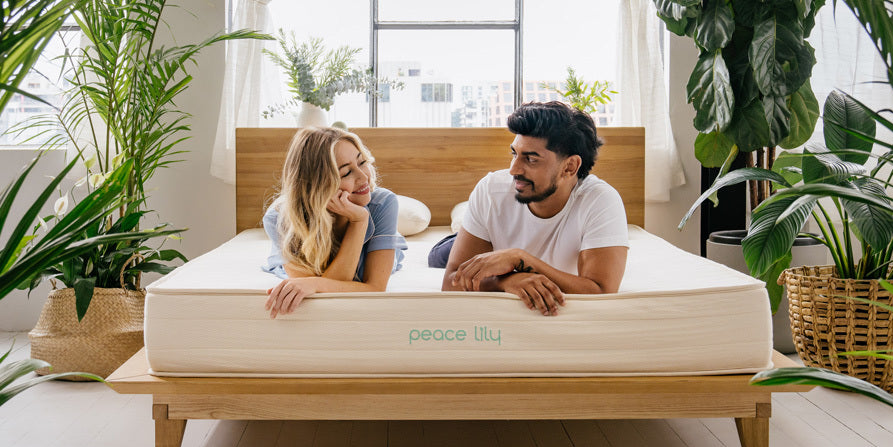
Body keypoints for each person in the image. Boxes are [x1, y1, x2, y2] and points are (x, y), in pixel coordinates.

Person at [441, 101, 629, 316]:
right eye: (514, 154)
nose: (513, 170)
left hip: (502, 255)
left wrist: (519, 258)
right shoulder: (490, 190)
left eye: (530, 159)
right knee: (440, 255)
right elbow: (450, 282)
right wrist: (506, 280)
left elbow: (602, 292)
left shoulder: (600, 200)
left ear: (569, 167)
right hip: (490, 251)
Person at [263, 127, 406, 317]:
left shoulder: (383, 203)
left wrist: (360, 220)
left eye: (362, 162)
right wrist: (314, 284)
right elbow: (320, 295)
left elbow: (375, 287)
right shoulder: (279, 218)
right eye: (346, 173)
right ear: (318, 185)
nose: (364, 177)